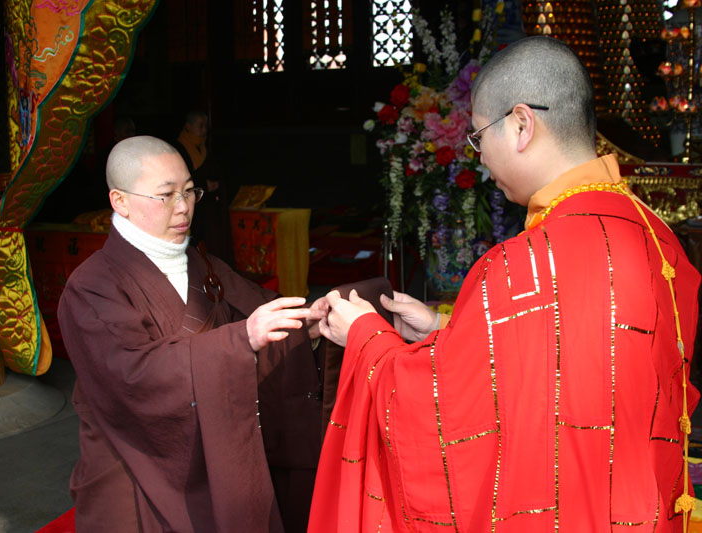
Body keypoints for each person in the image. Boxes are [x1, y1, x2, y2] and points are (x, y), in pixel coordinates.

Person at [308, 36, 701, 531]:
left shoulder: (523, 264)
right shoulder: (658, 237)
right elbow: (573, 362)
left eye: (478, 136)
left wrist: (366, 335)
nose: (479, 158)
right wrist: (442, 329)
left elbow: (444, 417)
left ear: (521, 124)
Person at [57, 135, 327, 532]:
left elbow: (259, 311)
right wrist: (239, 342)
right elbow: (132, 374)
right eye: (165, 195)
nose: (183, 207)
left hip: (214, 450)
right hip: (133, 464)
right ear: (120, 201)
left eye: (188, 191)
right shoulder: (92, 286)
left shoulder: (203, 264)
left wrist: (309, 324)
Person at [176, 110, 234, 265]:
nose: (204, 130)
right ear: (188, 126)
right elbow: (179, 178)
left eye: (205, 126)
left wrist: (216, 183)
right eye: (200, 126)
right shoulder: (179, 149)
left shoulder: (204, 148)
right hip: (191, 208)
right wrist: (202, 184)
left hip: (207, 207)